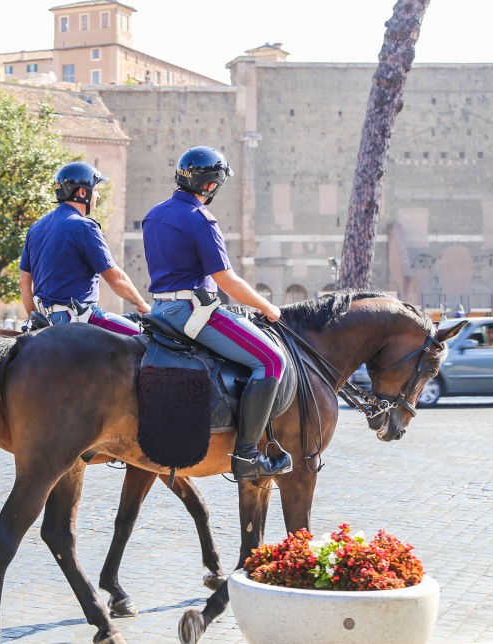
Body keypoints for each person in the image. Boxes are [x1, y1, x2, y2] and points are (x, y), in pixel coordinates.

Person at [142, 146, 292, 482]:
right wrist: (266, 307)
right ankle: (247, 455)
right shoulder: (201, 219)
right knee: (272, 361)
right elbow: (227, 281)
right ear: (210, 186)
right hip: (193, 311)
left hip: (160, 309)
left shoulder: (152, 214)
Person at [19, 161, 151, 335]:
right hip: (80, 318)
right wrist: (142, 305)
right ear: (82, 192)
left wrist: (36, 319)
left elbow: (23, 284)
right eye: (95, 190)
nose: (98, 196)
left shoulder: (35, 228)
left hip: (43, 320)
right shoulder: (84, 226)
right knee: (149, 340)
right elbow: (116, 279)